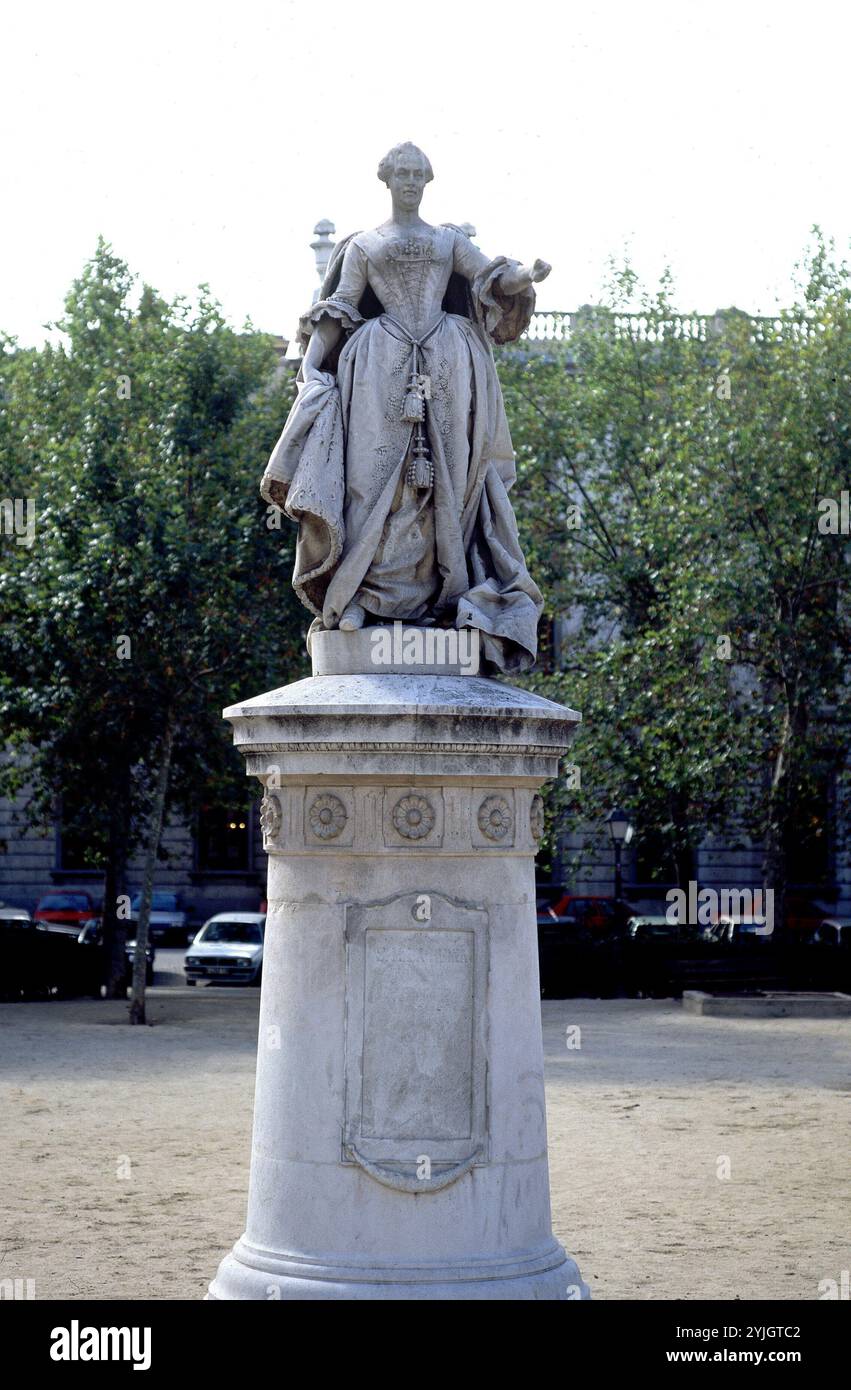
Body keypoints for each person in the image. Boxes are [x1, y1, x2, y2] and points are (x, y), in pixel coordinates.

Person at [262, 141, 551, 673]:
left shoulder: (448, 242)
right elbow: (339, 310)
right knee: (371, 484)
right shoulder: (365, 246)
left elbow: (492, 277)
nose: (412, 182)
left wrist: (526, 277)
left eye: (420, 174)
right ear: (387, 179)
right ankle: (361, 598)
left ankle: (438, 603)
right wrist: (312, 366)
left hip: (446, 362)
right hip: (377, 364)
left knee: (446, 483)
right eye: (403, 173)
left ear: (428, 179)